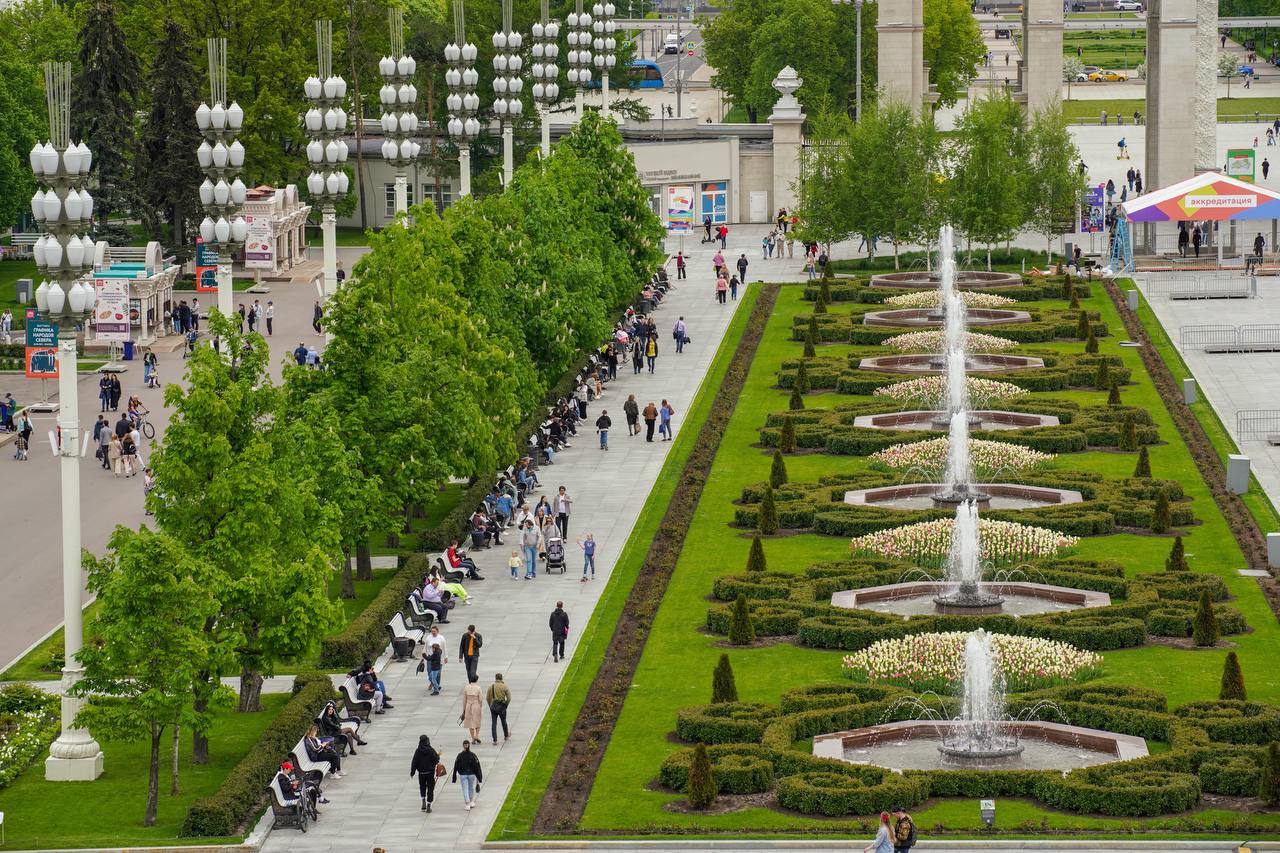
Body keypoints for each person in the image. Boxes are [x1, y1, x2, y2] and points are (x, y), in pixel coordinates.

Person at [409, 735, 441, 812]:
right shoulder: (430, 750)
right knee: (430, 788)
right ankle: (428, 805)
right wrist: (438, 757)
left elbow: (414, 762)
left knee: (422, 787)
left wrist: (412, 772)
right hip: (430, 772)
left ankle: (423, 801)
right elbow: (436, 760)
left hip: (421, 773)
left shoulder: (418, 751)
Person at [451, 740, 483, 811]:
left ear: (463, 746)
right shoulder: (473, 755)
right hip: (471, 774)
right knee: (470, 787)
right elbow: (477, 766)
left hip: (463, 774)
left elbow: (456, 766)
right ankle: (471, 801)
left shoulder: (460, 755)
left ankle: (467, 803)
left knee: (465, 788)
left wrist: (454, 776)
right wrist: (479, 776)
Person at [486, 674, 512, 744]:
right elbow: (509, 698)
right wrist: (506, 704)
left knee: (494, 723)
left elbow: (487, 698)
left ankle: (495, 740)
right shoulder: (505, 686)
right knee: (503, 721)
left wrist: (490, 705)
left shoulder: (491, 686)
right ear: (501, 678)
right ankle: (506, 735)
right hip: (502, 706)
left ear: (495, 678)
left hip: (493, 706)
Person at [461, 675, 484, 744]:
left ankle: (473, 738)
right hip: (476, 705)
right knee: (477, 721)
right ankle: (476, 735)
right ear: (476, 680)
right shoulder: (478, 688)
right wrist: (480, 706)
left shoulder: (466, 687)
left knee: (470, 723)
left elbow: (464, 700)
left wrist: (464, 709)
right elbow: (481, 699)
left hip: (468, 705)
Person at [423, 628, 446, 694]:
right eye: (432, 631)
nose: (433, 632)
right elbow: (426, 647)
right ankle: (437, 686)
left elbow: (429, 659)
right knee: (430, 677)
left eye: (434, 631)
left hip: (435, 667)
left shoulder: (435, 654)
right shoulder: (438, 651)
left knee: (433, 678)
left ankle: (436, 690)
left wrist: (424, 655)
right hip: (435, 665)